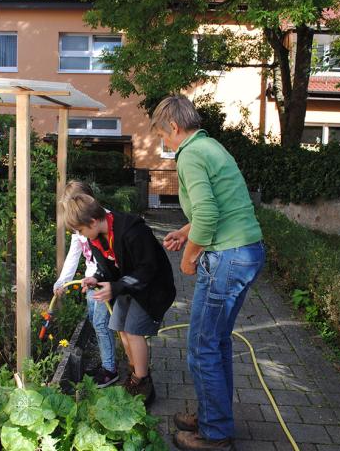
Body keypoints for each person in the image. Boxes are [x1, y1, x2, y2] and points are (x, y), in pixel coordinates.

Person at [151, 95, 265, 451]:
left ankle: (215, 434)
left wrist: (188, 257)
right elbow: (221, 204)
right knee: (216, 343)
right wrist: (187, 232)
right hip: (246, 251)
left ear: (173, 125)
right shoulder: (210, 146)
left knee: (201, 346)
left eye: (162, 135)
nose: (163, 143)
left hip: (227, 258)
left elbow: (210, 215)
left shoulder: (190, 155)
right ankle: (214, 415)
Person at [63, 193, 176, 406]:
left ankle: (142, 382)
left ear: (93, 221)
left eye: (80, 229)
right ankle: (135, 373)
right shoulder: (94, 238)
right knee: (120, 327)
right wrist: (96, 278)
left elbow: (148, 268)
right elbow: (106, 268)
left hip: (151, 287)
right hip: (126, 286)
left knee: (133, 331)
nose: (80, 234)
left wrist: (115, 287)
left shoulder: (133, 231)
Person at [53, 181, 119, 388]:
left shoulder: (102, 220)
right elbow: (74, 256)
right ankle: (107, 361)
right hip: (90, 279)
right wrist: (62, 281)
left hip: (105, 279)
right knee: (94, 320)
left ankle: (110, 369)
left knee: (100, 323)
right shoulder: (79, 230)